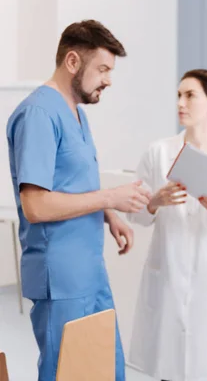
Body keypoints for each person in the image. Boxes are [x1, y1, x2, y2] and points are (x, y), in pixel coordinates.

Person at [6, 20, 152, 381]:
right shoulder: (39, 114)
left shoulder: (78, 114)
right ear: (72, 61)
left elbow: (70, 183)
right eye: (102, 68)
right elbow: (35, 206)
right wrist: (111, 197)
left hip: (89, 271)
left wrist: (108, 214)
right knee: (68, 373)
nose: (108, 80)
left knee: (104, 369)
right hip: (61, 277)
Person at [127, 69, 207, 381]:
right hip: (167, 275)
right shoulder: (159, 153)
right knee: (168, 369)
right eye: (178, 95)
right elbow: (136, 212)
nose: (180, 103)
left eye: (190, 95)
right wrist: (155, 202)